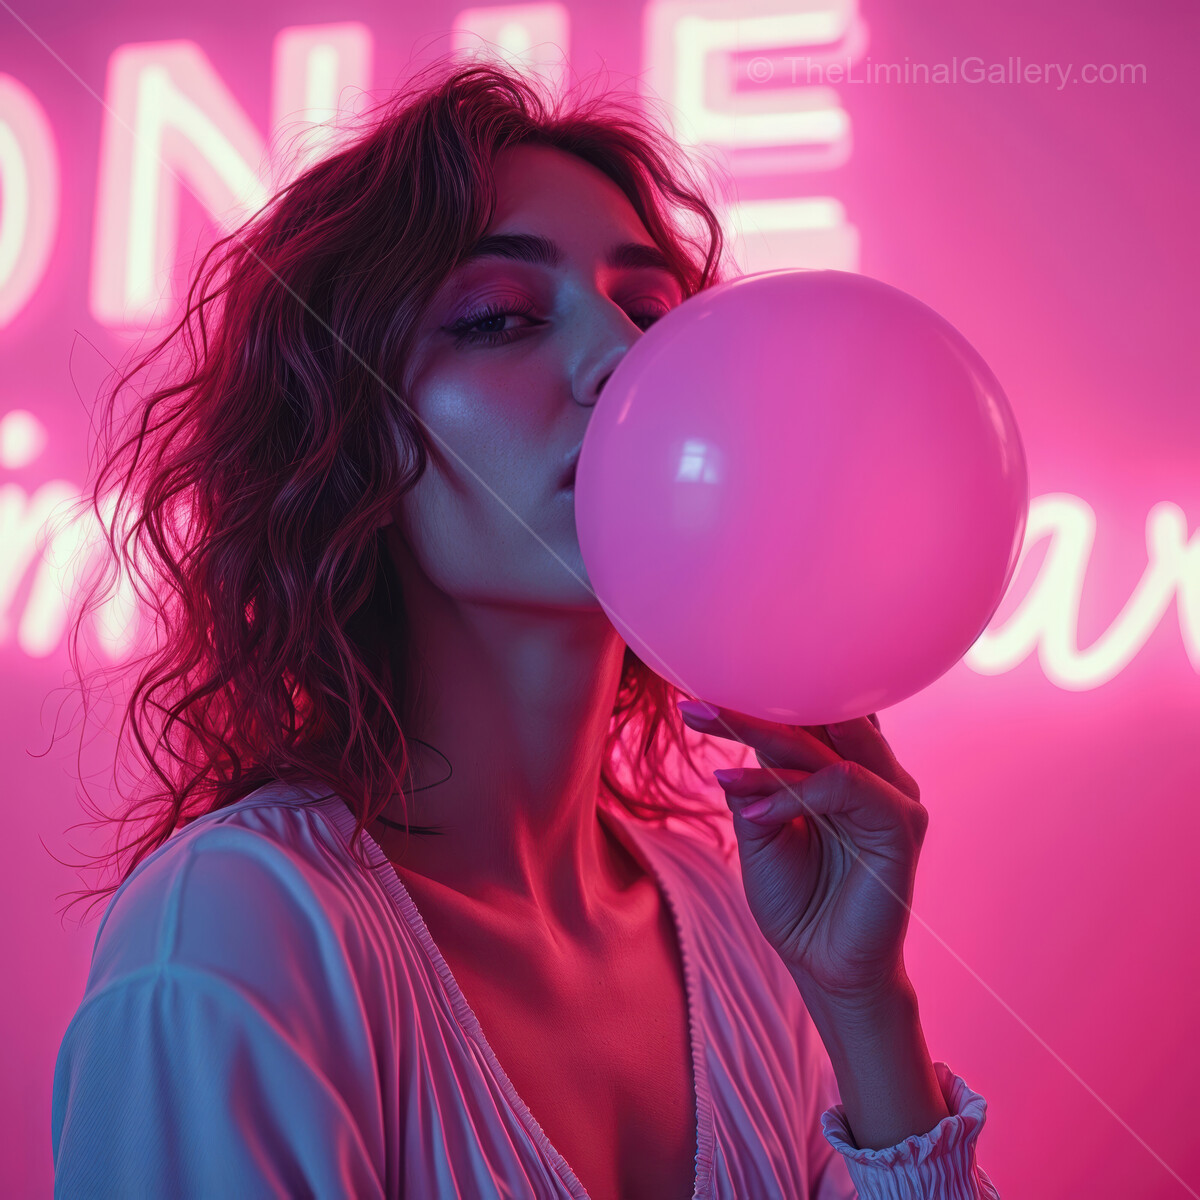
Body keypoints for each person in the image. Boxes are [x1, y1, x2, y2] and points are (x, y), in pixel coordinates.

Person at [51, 57, 1000, 1198]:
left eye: (649, 312)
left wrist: (864, 1005)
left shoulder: (746, 926)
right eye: (499, 318)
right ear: (349, 443)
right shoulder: (238, 937)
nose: (627, 360)